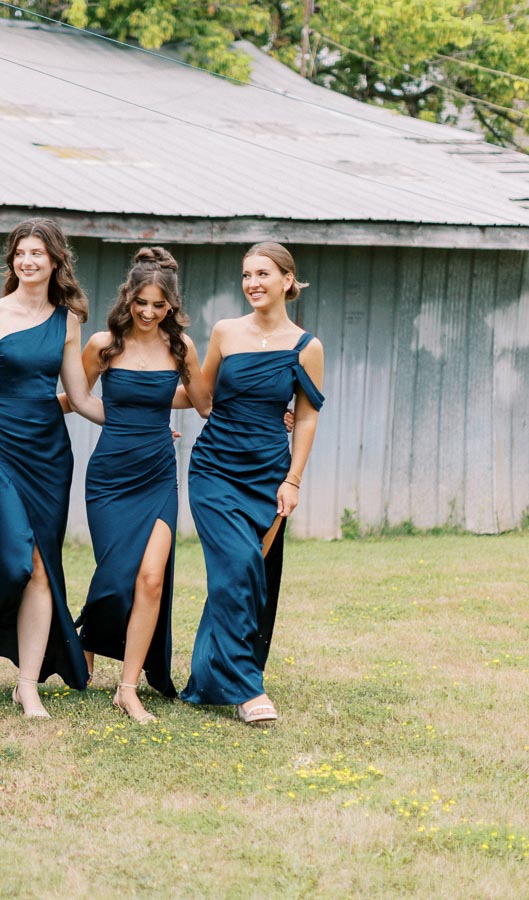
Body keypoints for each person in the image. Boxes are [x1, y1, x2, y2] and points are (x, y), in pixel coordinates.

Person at [0, 218, 103, 718]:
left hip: (50, 455)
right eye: (21, 253)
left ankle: (28, 684)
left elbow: (78, 397)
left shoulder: (69, 319)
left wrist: (140, 419)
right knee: (15, 556)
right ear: (13, 260)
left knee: (41, 567)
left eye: (38, 253)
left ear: (55, 261)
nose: (28, 261)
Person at [181, 242, 324, 725]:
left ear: (288, 280)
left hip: (267, 475)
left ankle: (208, 674)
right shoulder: (224, 332)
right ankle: (246, 688)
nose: (253, 283)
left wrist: (294, 480)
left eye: (263, 273)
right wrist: (137, 400)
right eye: (246, 275)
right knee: (238, 564)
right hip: (215, 468)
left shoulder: (307, 346)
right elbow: (201, 397)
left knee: (250, 577)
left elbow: (305, 419)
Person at [77, 247, 212, 724]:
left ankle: (127, 687)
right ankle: (88, 636)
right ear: (128, 299)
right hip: (110, 476)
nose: (150, 313)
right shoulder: (102, 344)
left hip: (157, 473)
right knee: (115, 579)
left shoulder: (181, 349)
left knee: (151, 579)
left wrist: (264, 410)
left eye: (160, 306)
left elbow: (202, 403)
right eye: (142, 303)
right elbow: (77, 397)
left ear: (172, 306)